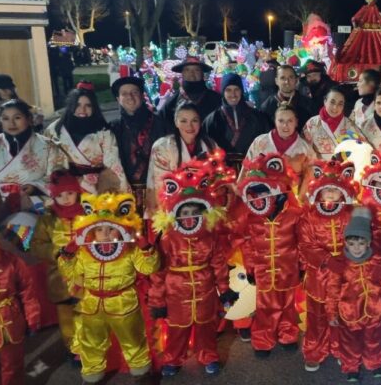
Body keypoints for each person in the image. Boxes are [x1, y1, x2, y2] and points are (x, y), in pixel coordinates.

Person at [57, 193, 158, 383]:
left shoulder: (130, 251)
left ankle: (142, 374)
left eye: (111, 229)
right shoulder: (84, 254)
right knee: (91, 344)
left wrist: (146, 249)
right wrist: (67, 254)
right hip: (91, 306)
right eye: (100, 229)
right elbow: (70, 272)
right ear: (91, 232)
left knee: (133, 340)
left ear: (121, 231)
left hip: (123, 305)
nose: (105, 233)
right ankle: (92, 376)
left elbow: (149, 267)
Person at [149, 157, 235, 377]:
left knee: (207, 327)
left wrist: (224, 289)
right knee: (177, 329)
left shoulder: (209, 236)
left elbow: (219, 263)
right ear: (176, 213)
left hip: (205, 290)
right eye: (184, 213)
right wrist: (157, 300)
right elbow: (158, 272)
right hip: (176, 293)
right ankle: (173, 358)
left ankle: (208, 355)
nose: (189, 218)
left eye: (194, 212)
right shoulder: (167, 239)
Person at [233, 155, 302, 358]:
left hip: (288, 270)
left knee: (288, 306)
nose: (259, 200)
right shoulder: (252, 218)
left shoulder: (293, 216)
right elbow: (248, 245)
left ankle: (288, 335)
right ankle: (263, 339)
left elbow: (301, 242)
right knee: (264, 309)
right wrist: (251, 267)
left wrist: (302, 266)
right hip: (263, 271)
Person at [297, 160, 357, 372]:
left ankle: (342, 349)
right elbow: (305, 245)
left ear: (342, 193)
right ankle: (314, 351)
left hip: (345, 275)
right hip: (319, 277)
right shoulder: (309, 217)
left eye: (335, 190)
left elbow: (359, 239)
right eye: (326, 190)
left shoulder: (351, 214)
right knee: (317, 317)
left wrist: (346, 259)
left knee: (344, 315)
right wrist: (326, 259)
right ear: (319, 192)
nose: (330, 194)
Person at [326, 207, 381, 382]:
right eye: (352, 244)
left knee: (373, 341)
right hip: (348, 316)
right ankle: (351, 366)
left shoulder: (377, 264)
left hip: (373, 314)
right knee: (350, 344)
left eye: (360, 243)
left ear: (368, 242)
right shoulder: (340, 265)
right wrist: (332, 312)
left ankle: (374, 363)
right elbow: (332, 291)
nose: (356, 248)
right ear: (346, 244)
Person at [29, 170, 84, 363]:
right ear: (53, 196)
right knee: (66, 317)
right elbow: (36, 245)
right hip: (59, 278)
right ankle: (72, 349)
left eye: (69, 193)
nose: (66, 198)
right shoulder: (47, 220)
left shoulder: (87, 215)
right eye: (60, 195)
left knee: (85, 314)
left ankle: (88, 347)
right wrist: (56, 251)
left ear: (77, 192)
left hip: (84, 277)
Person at [0, 211, 40, 385]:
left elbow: (27, 290)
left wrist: (32, 317)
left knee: (12, 366)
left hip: (11, 322)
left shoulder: (11, 260)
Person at [0, 99, 65, 215]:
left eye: (17, 118)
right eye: (5, 118)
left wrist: (35, 187)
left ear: (29, 119)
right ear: (0, 121)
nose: (11, 123)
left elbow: (58, 178)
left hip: (36, 205)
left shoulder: (48, 146)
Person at [46, 83, 129, 194]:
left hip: (97, 188)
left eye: (88, 105)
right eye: (78, 105)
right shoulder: (55, 129)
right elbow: (48, 162)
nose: (82, 110)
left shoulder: (104, 132)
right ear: (71, 105)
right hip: (65, 189)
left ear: (94, 108)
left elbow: (113, 165)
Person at [109, 76, 168, 215]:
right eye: (124, 94)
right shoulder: (113, 128)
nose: (130, 97)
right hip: (125, 194)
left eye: (134, 92)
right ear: (118, 99)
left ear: (142, 95)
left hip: (156, 191)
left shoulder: (162, 124)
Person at [147, 102, 217, 213]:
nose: (189, 126)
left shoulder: (210, 145)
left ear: (200, 122)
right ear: (176, 123)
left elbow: (218, 176)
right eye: (183, 121)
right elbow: (160, 185)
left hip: (206, 207)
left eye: (194, 120)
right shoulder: (163, 147)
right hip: (173, 209)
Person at [243, 103, 316, 193]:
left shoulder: (304, 147)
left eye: (290, 121)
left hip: (293, 195)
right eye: (281, 121)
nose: (285, 125)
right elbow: (246, 167)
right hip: (263, 194)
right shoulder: (260, 141)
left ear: (296, 122)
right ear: (275, 121)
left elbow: (311, 177)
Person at [203, 73, 270, 168]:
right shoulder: (212, 119)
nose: (233, 94)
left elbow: (266, 142)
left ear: (241, 91)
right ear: (223, 92)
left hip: (252, 169)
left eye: (236, 89)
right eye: (228, 90)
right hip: (223, 171)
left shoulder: (258, 117)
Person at [302, 86, 364, 160]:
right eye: (332, 102)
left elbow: (361, 148)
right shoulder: (311, 124)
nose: (335, 107)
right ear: (325, 101)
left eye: (340, 104)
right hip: (319, 167)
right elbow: (304, 148)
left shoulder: (349, 125)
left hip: (345, 168)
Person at [158, 56, 222, 127]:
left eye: (196, 70)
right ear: (182, 73)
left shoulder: (216, 99)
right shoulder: (172, 103)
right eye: (187, 70)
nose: (192, 73)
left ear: (202, 73)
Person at [260, 65, 311, 129]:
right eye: (282, 78)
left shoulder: (309, 104)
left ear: (296, 80)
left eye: (291, 77)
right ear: (276, 81)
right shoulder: (267, 107)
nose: (287, 82)